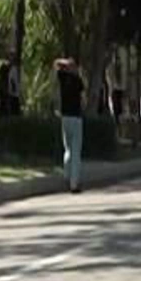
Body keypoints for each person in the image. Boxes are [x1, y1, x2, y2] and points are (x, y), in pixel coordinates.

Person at [54, 58, 85, 193]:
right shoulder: (78, 81)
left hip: (65, 117)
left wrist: (65, 64)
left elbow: (56, 63)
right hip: (76, 117)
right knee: (76, 150)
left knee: (68, 149)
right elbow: (83, 98)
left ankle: (67, 176)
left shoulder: (62, 77)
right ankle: (74, 184)